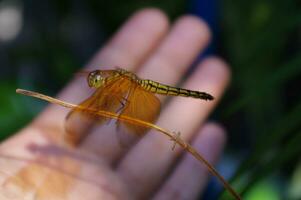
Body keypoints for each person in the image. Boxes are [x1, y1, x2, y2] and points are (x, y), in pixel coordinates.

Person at [0, 8, 230, 200]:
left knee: (121, 114)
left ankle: (203, 91)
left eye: (97, 79)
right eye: (96, 78)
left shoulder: (116, 84)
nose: (96, 81)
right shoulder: (111, 80)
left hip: (145, 88)